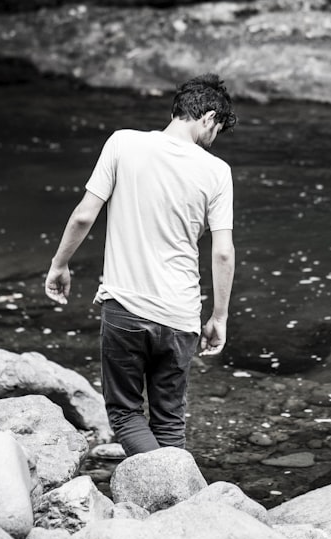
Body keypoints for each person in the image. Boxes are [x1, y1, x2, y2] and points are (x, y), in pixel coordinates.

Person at [44, 73, 237, 456]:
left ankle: (165, 495)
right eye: (217, 130)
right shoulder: (217, 172)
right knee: (168, 420)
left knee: (125, 414)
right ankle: (178, 501)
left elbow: (84, 216)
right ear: (208, 116)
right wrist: (219, 317)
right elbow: (223, 252)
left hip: (126, 310)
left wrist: (59, 265)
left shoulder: (123, 143)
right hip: (181, 315)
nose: (214, 141)